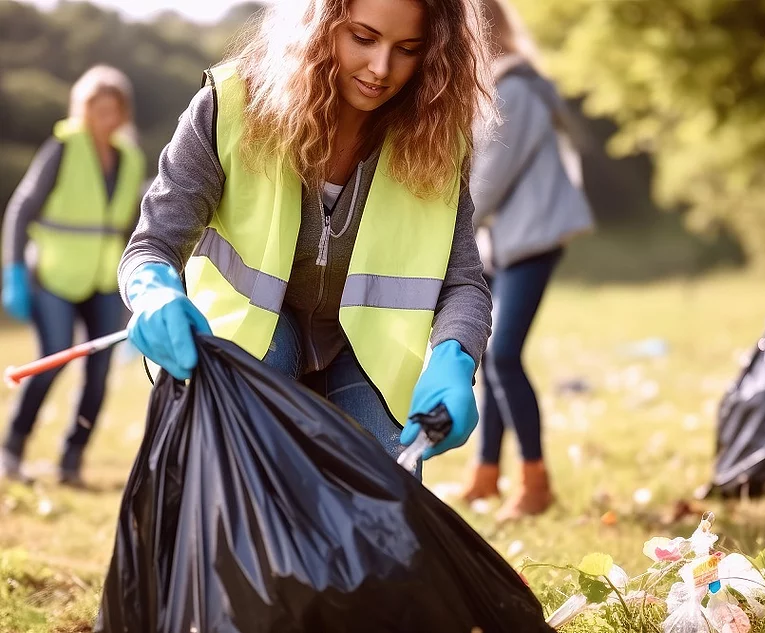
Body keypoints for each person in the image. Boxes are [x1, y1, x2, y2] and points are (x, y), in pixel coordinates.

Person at [118, 0, 494, 475]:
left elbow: (461, 282)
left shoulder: (439, 138)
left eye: (408, 49)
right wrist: (151, 291)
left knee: (388, 497)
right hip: (253, 340)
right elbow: (153, 243)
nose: (381, 69)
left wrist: (455, 358)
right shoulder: (230, 105)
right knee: (242, 475)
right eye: (362, 38)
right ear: (321, 26)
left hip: (370, 357)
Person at [462, 0, 595, 520]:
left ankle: (536, 482)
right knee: (490, 358)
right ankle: (485, 475)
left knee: (504, 356)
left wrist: (447, 236)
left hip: (532, 239)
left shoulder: (515, 87)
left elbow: (489, 178)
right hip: (507, 243)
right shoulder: (496, 87)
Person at [1, 65, 146, 485]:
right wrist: (12, 271)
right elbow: (20, 209)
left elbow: (137, 225)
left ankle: (71, 462)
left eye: (113, 110)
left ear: (122, 113)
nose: (106, 118)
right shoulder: (61, 149)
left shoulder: (130, 158)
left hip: (103, 279)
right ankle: (11, 450)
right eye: (97, 109)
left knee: (99, 374)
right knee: (53, 357)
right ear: (82, 110)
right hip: (54, 273)